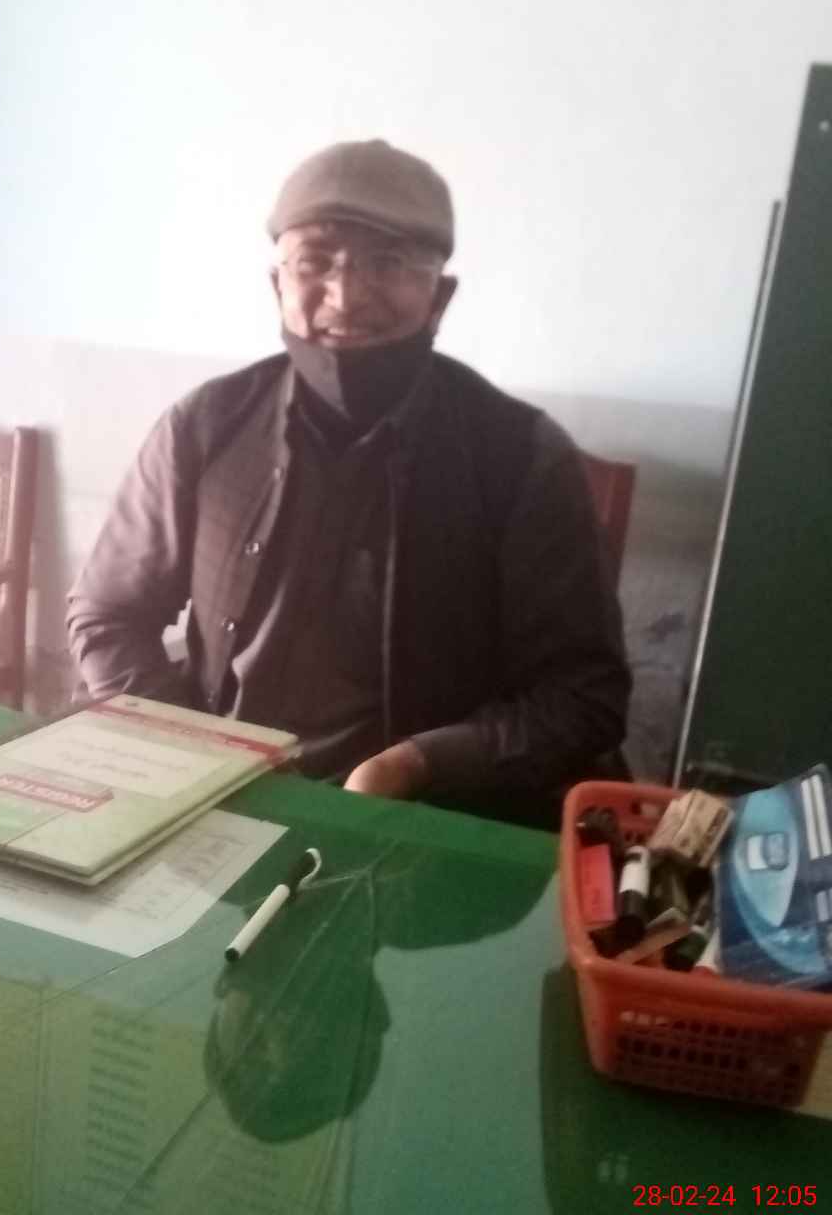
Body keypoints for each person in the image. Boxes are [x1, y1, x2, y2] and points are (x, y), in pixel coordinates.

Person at [67, 139, 630, 825]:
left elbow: (584, 695)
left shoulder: (521, 457)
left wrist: (417, 764)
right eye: (315, 262)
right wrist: (186, 748)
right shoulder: (205, 428)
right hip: (219, 801)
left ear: (439, 297)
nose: (346, 296)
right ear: (277, 284)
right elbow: (107, 615)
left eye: (387, 263)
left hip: (430, 815)